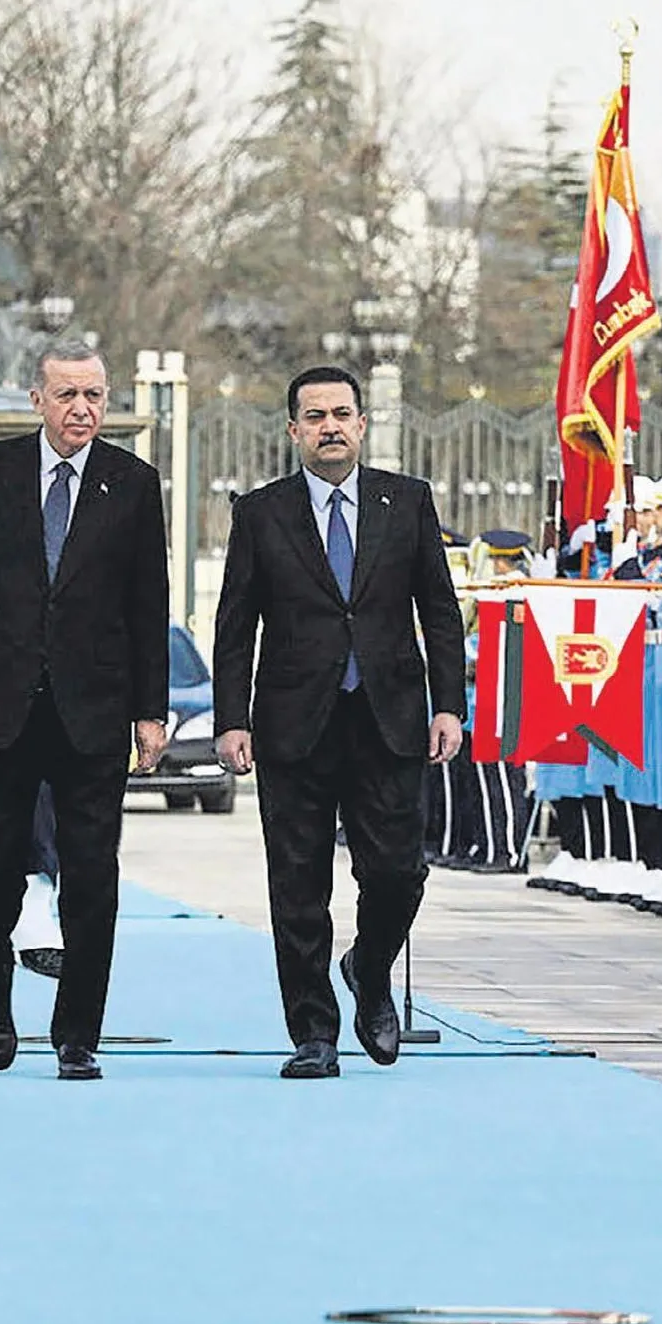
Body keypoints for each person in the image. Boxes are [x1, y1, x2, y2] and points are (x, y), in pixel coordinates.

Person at [0, 341, 169, 1081]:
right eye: (67, 396)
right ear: (36, 400)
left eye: (94, 396)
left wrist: (150, 711)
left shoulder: (133, 483)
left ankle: (77, 1033)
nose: (83, 410)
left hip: (93, 714)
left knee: (93, 875)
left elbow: (148, 604)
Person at [211, 364, 466, 1079]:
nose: (329, 426)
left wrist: (449, 704)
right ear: (293, 430)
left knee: (398, 873)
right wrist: (232, 718)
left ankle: (370, 966)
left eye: (341, 414)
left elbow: (439, 613)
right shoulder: (260, 514)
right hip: (293, 725)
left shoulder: (406, 502)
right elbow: (236, 626)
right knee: (297, 884)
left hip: (389, 719)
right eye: (314, 416)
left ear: (361, 424)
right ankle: (313, 1033)